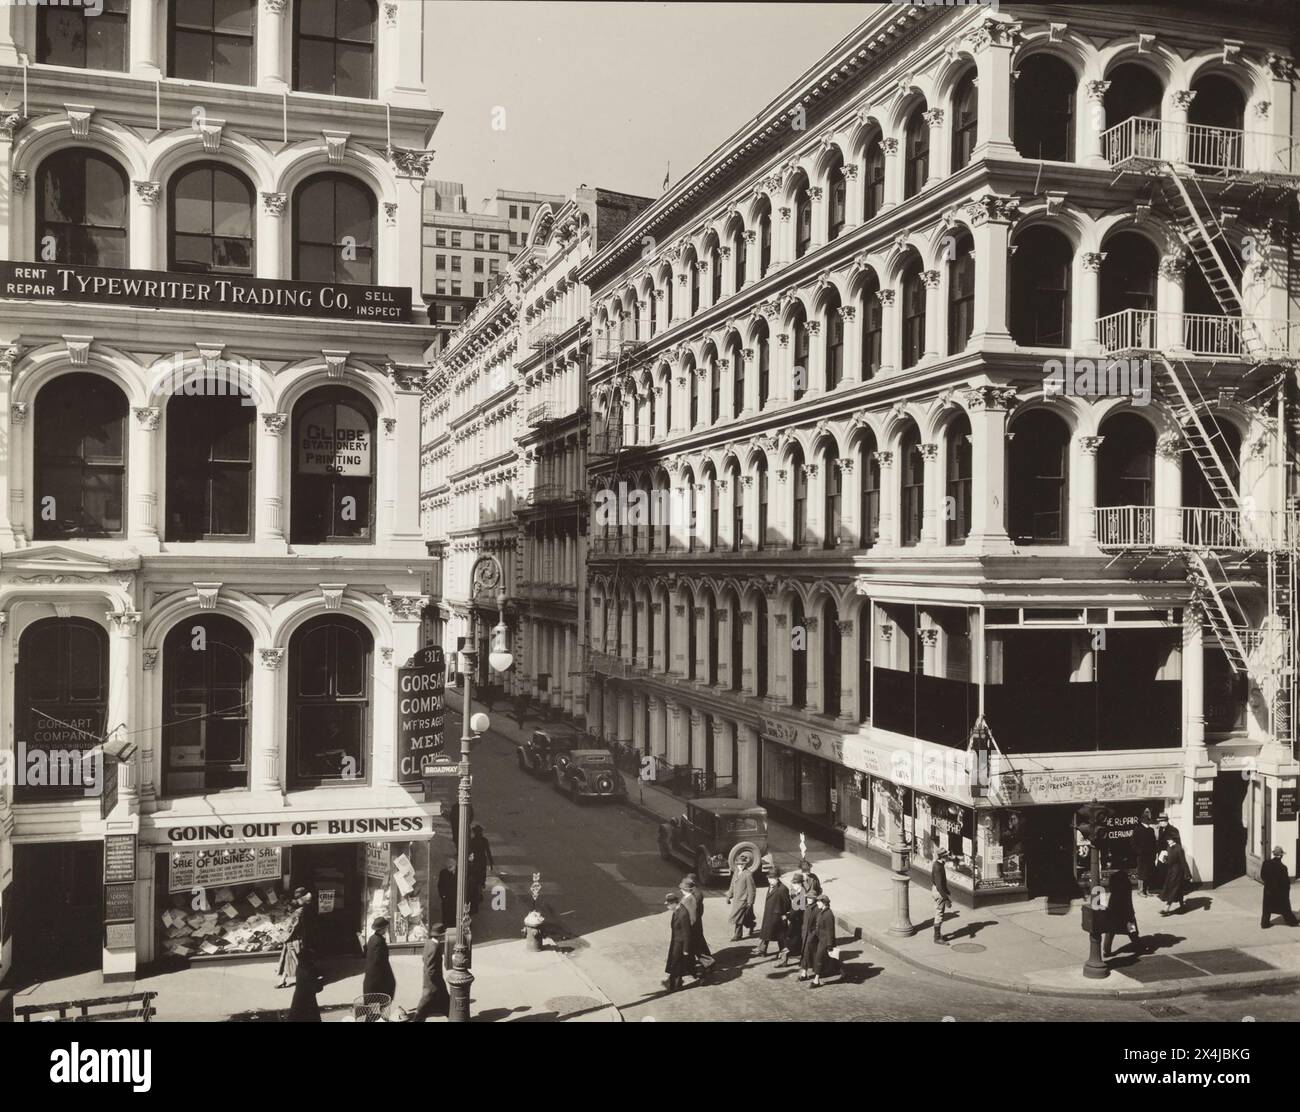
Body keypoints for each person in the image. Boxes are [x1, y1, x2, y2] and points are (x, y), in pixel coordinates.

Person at [411, 924, 451, 1020]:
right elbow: (431, 968)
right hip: (433, 982)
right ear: (441, 935)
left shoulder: (428, 943)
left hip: (431, 979)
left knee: (446, 1001)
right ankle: (416, 1019)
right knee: (425, 1003)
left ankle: (452, 1017)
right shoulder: (435, 947)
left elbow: (424, 959)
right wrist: (435, 981)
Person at [1102, 868, 1142, 956]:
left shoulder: (1114, 889)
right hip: (1126, 911)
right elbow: (1129, 903)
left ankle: (1106, 950)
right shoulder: (1126, 886)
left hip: (1114, 909)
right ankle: (1137, 945)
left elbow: (1112, 889)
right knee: (1131, 929)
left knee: (1110, 930)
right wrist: (1131, 913)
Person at [679, 877, 713, 975]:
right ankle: (690, 966)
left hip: (691, 927)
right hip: (690, 927)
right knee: (693, 947)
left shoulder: (693, 898)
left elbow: (693, 915)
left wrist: (688, 926)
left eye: (682, 888)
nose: (681, 890)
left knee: (694, 947)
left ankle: (708, 963)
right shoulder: (689, 896)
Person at [275, 888, 308, 988]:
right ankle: (283, 979)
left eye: (297, 897)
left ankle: (303, 979)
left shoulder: (299, 911)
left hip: (294, 939)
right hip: (294, 939)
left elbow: (292, 927)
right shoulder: (302, 909)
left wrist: (283, 937)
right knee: (289, 959)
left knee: (294, 960)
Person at [802, 894, 836, 987]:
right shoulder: (822, 912)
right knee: (830, 959)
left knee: (819, 959)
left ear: (824, 903)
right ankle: (842, 971)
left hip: (825, 941)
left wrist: (829, 945)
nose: (817, 903)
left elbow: (830, 931)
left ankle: (816, 980)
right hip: (819, 939)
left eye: (819, 901)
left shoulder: (828, 914)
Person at [1260, 846, 1299, 928]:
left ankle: (1264, 923)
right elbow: (1285, 883)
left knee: (1267, 908)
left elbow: (1262, 876)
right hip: (1279, 892)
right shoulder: (1283, 868)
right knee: (1285, 907)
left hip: (1268, 890)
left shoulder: (1266, 863)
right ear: (1281, 856)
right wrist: (1286, 891)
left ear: (1273, 854)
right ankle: (1292, 922)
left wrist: (1268, 883)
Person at [756, 868, 791, 957]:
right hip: (769, 915)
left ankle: (783, 955)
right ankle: (762, 950)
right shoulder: (771, 886)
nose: (770, 880)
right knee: (767, 933)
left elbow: (787, 903)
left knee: (780, 937)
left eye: (772, 878)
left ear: (777, 878)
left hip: (777, 917)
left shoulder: (782, 889)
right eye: (769, 878)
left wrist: (783, 913)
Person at [663, 892, 694, 992]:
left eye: (668, 905)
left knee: (675, 963)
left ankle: (672, 985)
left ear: (673, 903)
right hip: (676, 941)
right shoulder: (677, 910)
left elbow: (687, 933)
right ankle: (678, 983)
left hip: (680, 943)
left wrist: (685, 949)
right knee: (677, 963)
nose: (667, 907)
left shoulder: (682, 914)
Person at [362, 917, 396, 1004]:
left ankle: (377, 1011)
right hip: (377, 972)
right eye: (386, 927)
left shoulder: (372, 938)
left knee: (373, 995)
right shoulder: (379, 941)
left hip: (371, 972)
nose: (387, 929)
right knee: (387, 988)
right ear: (382, 929)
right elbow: (379, 959)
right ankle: (382, 1010)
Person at [726, 855, 757, 941]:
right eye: (739, 864)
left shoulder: (748, 874)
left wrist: (750, 902)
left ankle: (737, 935)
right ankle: (752, 925)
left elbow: (752, 889)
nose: (740, 865)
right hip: (736, 899)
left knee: (737, 917)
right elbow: (732, 884)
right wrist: (729, 895)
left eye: (742, 864)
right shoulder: (736, 872)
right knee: (745, 917)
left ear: (745, 864)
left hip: (744, 900)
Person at [287, 951, 323, 1022]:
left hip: (298, 997)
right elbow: (315, 987)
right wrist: (320, 982)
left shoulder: (300, 967)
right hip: (308, 1000)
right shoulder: (310, 969)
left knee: (296, 1016)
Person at [1159, 836, 1191, 914]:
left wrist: (1187, 873)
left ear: (1174, 840)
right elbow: (1169, 859)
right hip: (1170, 871)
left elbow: (1183, 862)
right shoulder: (1169, 847)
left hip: (1177, 872)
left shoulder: (1179, 849)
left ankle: (1167, 907)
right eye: (1167, 839)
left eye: (1169, 839)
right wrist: (1165, 859)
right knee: (1178, 889)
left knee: (1173, 888)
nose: (1168, 841)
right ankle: (1182, 906)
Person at [467, 825, 495, 913]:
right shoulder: (484, 840)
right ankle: (479, 894)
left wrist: (469, 861)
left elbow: (469, 852)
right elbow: (488, 851)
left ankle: (478, 894)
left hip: (476, 861)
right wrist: (491, 862)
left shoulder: (472, 841)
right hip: (482, 861)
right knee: (481, 878)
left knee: (477, 878)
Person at [781, 873, 806, 968]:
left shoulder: (802, 894)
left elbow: (799, 910)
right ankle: (786, 960)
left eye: (795, 883)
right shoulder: (797, 892)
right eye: (793, 883)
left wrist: (787, 915)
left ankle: (788, 960)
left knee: (791, 940)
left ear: (800, 884)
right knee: (791, 940)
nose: (793, 885)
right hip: (795, 920)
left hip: (797, 922)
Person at [932, 848, 954, 945]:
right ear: (943, 856)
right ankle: (937, 938)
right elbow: (939, 885)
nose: (948, 857)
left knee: (939, 913)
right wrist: (946, 899)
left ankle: (937, 935)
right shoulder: (938, 867)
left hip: (938, 890)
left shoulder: (939, 864)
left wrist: (947, 891)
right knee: (939, 914)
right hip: (938, 891)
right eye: (946, 855)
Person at [1134, 808, 1157, 897]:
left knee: (1148, 873)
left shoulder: (1151, 830)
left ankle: (1146, 890)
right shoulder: (1137, 829)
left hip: (1150, 856)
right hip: (1142, 856)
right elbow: (1133, 843)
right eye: (1147, 820)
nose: (1149, 821)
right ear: (1144, 820)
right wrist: (1139, 852)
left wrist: (1155, 853)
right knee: (1142, 874)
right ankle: (1140, 891)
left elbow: (1154, 842)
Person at [437, 857, 458, 929]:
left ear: (455, 865)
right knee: (446, 914)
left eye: (451, 867)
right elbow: (440, 885)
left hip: (456, 897)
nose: (449, 869)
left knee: (455, 914)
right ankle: (446, 928)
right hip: (447, 898)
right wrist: (443, 895)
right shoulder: (443, 873)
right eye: (447, 867)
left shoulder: (459, 872)